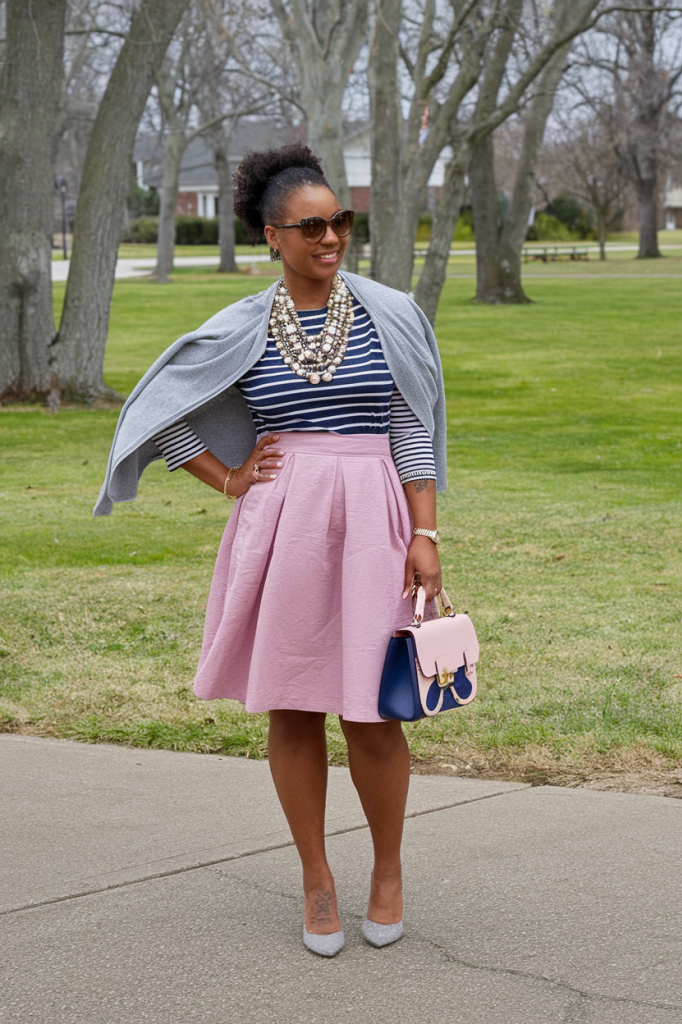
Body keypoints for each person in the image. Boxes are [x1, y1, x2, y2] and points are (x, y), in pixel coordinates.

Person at [95, 143, 447, 957]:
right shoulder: (242, 325)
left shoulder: (389, 312)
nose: (331, 239)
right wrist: (226, 477)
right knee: (293, 706)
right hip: (281, 527)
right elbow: (157, 412)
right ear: (271, 236)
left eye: (342, 223)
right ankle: (316, 878)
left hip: (374, 522)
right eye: (312, 227)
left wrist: (424, 532)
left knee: (375, 711)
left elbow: (410, 428)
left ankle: (386, 873)